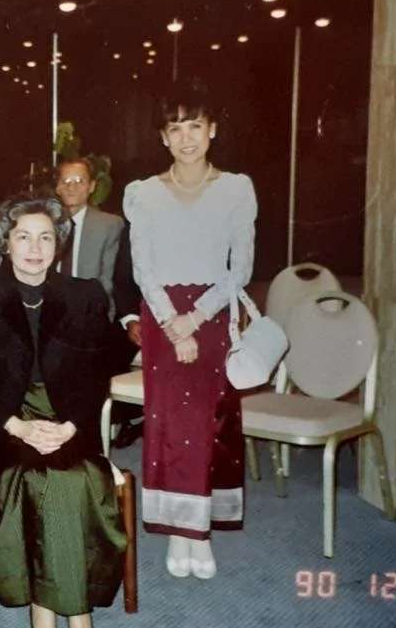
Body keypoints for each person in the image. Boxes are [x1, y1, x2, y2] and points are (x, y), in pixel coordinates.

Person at [0, 195, 127, 628]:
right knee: (40, 478)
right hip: (5, 425)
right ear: (5, 244)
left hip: (70, 420)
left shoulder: (84, 295)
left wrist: (69, 426)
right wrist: (19, 427)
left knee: (68, 477)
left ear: (59, 244)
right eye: (24, 237)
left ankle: (52, 619)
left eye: (46, 237)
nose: (35, 247)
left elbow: (96, 375)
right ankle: (70, 621)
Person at [122, 79, 257, 580]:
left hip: (212, 313)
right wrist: (171, 324)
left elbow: (239, 268)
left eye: (194, 126)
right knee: (169, 426)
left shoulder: (236, 188)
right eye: (175, 128)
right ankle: (180, 532)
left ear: (212, 130)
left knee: (205, 424)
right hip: (162, 317)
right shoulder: (144, 194)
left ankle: (197, 533)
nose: (185, 138)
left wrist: (196, 319)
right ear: (162, 137)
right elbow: (143, 268)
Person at [51, 158, 123, 315]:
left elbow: (108, 279)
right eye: (66, 180)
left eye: (79, 180)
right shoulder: (45, 223)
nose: (72, 187)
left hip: (91, 310)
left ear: (91, 187)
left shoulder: (109, 225)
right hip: (48, 310)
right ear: (57, 187)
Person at [109, 222, 145, 448]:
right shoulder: (135, 229)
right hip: (140, 316)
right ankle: (127, 417)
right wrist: (131, 318)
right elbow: (122, 279)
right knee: (104, 348)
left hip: (188, 318)